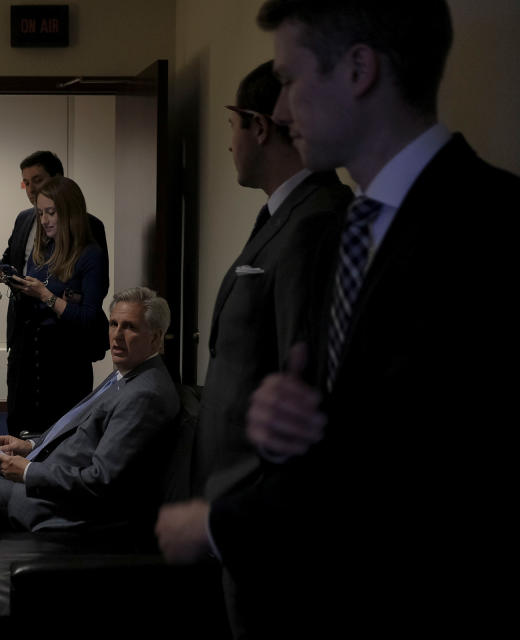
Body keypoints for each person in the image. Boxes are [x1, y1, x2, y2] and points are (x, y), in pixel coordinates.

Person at [156, 1, 519, 637]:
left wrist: (214, 524)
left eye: (291, 80)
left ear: (358, 70)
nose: (285, 110)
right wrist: (286, 420)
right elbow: (344, 419)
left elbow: (407, 468)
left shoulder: (492, 230)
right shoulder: (344, 234)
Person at [157, 60, 352, 637]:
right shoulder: (283, 216)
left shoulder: (317, 223)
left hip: (267, 536)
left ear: (259, 126)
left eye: (231, 125)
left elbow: (308, 400)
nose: (229, 144)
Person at [0, 286, 179, 562]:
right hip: (50, 468)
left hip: (57, 501)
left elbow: (101, 481)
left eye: (130, 327)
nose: (117, 335)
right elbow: (77, 427)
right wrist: (31, 444)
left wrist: (29, 472)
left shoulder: (145, 395)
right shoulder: (129, 372)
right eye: (114, 324)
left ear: (155, 338)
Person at [0, 150, 109, 434]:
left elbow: (90, 300)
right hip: (25, 340)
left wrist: (50, 297)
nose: (31, 188)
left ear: (57, 182)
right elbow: (10, 268)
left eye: (37, 180)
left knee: (60, 430)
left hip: (65, 347)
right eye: (26, 182)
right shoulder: (27, 224)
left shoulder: (89, 236)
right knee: (19, 423)